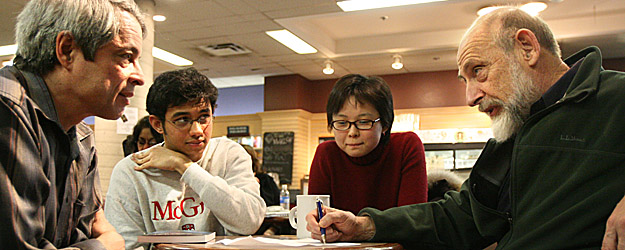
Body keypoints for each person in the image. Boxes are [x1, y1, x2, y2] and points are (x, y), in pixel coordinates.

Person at [305, 6, 625, 250]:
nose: (471, 97)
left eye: (479, 71)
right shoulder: (514, 130)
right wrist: (364, 225)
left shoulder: (615, 97)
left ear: (527, 48)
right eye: (465, 80)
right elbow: (463, 216)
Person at [0, 0, 145, 249]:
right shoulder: (7, 109)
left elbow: (94, 227)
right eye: (126, 57)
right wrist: (103, 246)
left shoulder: (81, 137)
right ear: (67, 50)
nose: (140, 76)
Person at [104, 68, 265, 249]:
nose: (197, 131)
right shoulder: (131, 170)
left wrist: (185, 167)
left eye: (204, 117)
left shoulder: (229, 154)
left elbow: (249, 221)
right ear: (158, 124)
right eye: (182, 120)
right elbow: (127, 245)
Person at [307, 74, 427, 214]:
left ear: (385, 124)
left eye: (363, 122)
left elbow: (413, 219)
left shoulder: (406, 146)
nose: (352, 132)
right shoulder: (326, 154)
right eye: (342, 123)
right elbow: (315, 216)